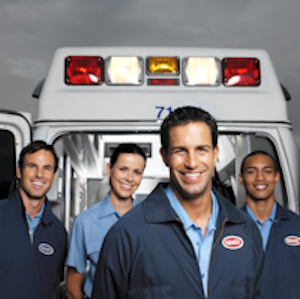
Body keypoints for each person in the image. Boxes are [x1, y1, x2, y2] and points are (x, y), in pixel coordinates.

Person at [92, 106, 264, 299]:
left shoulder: (246, 229)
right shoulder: (126, 235)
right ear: (165, 156)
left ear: (215, 154)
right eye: (180, 151)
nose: (191, 162)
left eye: (201, 149)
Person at [65, 143, 146, 299]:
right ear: (109, 169)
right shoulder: (84, 222)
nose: (129, 178)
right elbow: (72, 289)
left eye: (137, 172)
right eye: (123, 169)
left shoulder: (150, 222)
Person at [0, 140, 67, 299]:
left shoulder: (58, 232)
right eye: (32, 166)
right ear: (19, 171)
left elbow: (53, 286)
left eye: (47, 168)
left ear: (54, 176)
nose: (39, 174)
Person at [239, 150, 300, 298]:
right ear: (241, 179)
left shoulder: (297, 226)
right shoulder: (225, 227)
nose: (260, 178)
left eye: (267, 171)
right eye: (252, 172)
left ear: (276, 177)